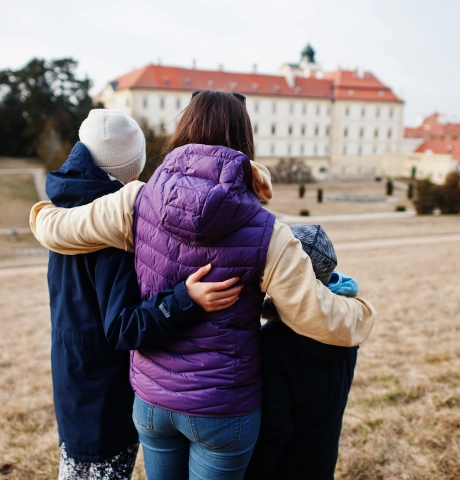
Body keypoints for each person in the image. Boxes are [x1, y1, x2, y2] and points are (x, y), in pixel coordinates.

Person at [30, 91, 377, 480]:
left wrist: (42, 210)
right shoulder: (271, 234)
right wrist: (362, 311)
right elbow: (320, 318)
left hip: (152, 400)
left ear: (184, 129)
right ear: (245, 141)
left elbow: (56, 228)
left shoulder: (133, 201)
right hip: (224, 408)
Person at [48, 109, 242, 480]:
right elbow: (122, 327)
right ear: (131, 169)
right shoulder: (111, 231)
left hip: (71, 373)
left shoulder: (66, 207)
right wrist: (185, 298)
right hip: (102, 392)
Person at [245, 224, 360, 480]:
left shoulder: (274, 343)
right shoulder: (347, 327)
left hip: (282, 468)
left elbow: (274, 430)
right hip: (322, 460)